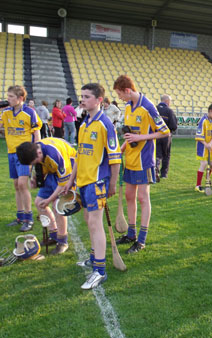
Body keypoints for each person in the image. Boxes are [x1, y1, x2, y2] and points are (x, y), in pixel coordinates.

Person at [63, 83, 121, 290]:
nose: (82, 100)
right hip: (83, 182)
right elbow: (79, 154)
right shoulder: (85, 123)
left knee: (95, 223)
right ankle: (93, 257)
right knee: (89, 220)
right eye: (81, 96)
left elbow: (115, 158)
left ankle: (100, 271)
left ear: (98, 100)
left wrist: (112, 184)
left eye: (87, 96)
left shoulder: (106, 124)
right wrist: (71, 180)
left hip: (97, 182)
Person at [113, 75, 170, 254]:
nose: (120, 98)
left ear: (127, 90)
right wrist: (122, 148)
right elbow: (130, 133)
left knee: (143, 198)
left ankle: (142, 240)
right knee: (130, 195)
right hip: (130, 159)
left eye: (120, 95)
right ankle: (131, 234)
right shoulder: (129, 107)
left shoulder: (148, 107)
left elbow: (164, 131)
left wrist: (141, 137)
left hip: (144, 160)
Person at [16, 138, 77, 254]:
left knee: (58, 206)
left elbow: (63, 184)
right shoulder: (35, 150)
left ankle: (63, 242)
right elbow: (40, 165)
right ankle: (54, 235)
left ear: (39, 153)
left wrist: (49, 199)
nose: (35, 164)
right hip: (52, 172)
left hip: (69, 171)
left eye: (35, 161)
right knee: (39, 203)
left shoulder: (55, 154)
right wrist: (34, 179)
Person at [1, 86, 42, 231]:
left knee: (23, 184)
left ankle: (28, 218)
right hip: (11, 152)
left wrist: (37, 152)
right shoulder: (5, 112)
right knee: (16, 185)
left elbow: (36, 134)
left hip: (25, 154)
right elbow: (2, 128)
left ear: (20, 98)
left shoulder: (30, 112)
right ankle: (20, 216)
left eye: (11, 96)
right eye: (8, 96)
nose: (8, 99)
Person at [195, 103, 212, 192]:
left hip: (209, 146)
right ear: (210, 111)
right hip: (202, 147)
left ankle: (208, 180)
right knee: (204, 164)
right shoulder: (203, 121)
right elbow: (198, 135)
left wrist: (210, 143)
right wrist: (206, 144)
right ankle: (198, 185)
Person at [156, 94, 178, 181]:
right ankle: (164, 174)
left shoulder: (154, 109)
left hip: (155, 135)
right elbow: (174, 126)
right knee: (166, 154)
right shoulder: (169, 111)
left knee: (157, 154)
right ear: (167, 101)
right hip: (166, 136)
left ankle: (155, 170)